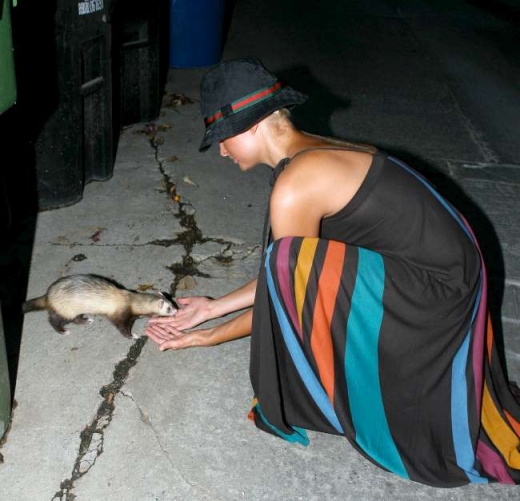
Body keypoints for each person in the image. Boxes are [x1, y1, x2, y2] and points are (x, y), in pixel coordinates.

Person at [145, 57, 520, 487]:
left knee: (293, 268)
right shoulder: (313, 150)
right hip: (455, 271)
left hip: (438, 295)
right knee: (295, 265)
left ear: (252, 127)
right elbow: (286, 278)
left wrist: (209, 334)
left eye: (223, 139)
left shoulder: (296, 184)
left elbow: (288, 289)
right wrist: (212, 308)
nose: (223, 152)